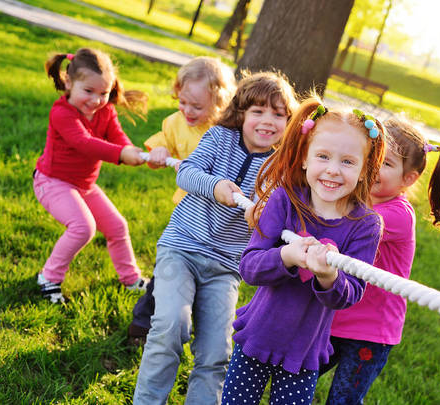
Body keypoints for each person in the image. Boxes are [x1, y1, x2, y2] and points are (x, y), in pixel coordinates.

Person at [133, 71, 299, 405]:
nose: (268, 121)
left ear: (289, 122)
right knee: (169, 327)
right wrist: (216, 186)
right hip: (182, 248)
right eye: (258, 112)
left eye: (278, 115)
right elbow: (189, 171)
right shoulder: (220, 137)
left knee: (216, 353)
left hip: (225, 267)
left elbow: (275, 220)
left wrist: (262, 219)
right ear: (241, 113)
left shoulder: (281, 167)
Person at [221, 97, 388, 405]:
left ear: (365, 170)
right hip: (256, 338)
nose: (333, 171)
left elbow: (349, 295)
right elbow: (250, 267)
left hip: (305, 352)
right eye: (323, 156)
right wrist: (289, 256)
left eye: (348, 162)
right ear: (305, 159)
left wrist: (328, 275)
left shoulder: (366, 224)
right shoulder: (285, 199)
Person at [322, 116, 440, 404]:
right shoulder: (357, 198)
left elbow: (343, 227)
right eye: (371, 156)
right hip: (336, 316)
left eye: (386, 163)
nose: (373, 168)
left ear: (409, 179)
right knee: (297, 379)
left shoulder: (396, 215)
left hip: (370, 331)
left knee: (342, 400)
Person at [128, 56, 236, 345]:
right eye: (183, 102)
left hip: (219, 218)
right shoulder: (174, 123)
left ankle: (196, 326)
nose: (187, 110)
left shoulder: (226, 131)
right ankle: (141, 323)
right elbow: (159, 146)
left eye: (197, 106)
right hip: (187, 215)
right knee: (170, 269)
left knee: (205, 277)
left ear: (219, 103)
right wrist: (160, 151)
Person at [34, 47, 149, 304]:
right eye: (88, 91)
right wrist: (121, 154)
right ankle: (48, 277)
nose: (96, 100)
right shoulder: (62, 113)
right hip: (52, 182)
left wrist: (129, 150)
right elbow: (84, 143)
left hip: (83, 185)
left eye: (103, 93)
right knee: (83, 227)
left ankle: (130, 279)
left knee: (117, 226)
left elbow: (117, 135)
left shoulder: (105, 111)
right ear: (69, 83)